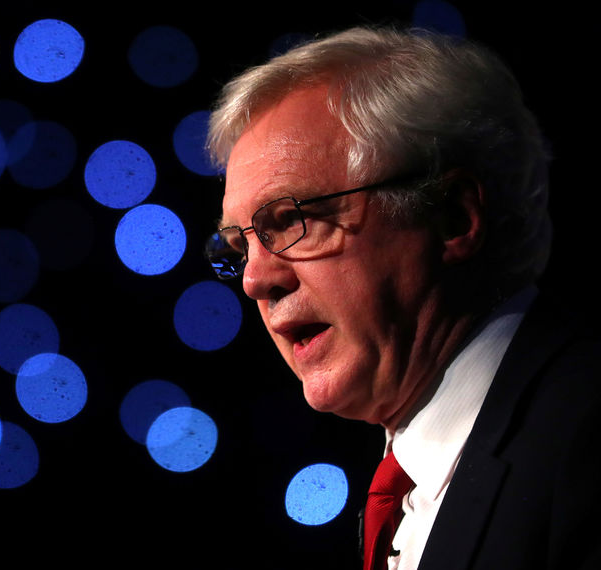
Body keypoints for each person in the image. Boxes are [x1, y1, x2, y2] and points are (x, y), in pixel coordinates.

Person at [204, 26, 601, 570]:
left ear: (453, 216)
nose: (255, 280)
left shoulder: (589, 434)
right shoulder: (403, 485)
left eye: (292, 219)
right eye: (238, 245)